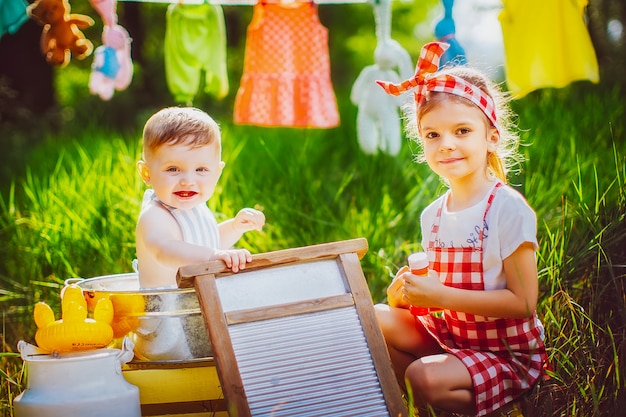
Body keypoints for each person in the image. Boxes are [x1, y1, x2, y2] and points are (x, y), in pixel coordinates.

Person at [374, 42, 547, 417]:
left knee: (423, 377)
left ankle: (494, 401)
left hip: (505, 354)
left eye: (462, 130)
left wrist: (442, 296)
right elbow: (436, 294)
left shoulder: (507, 208)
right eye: (433, 135)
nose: (446, 145)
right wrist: (406, 297)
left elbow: (523, 303)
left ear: (491, 138)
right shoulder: (433, 215)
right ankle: (415, 400)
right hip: (456, 340)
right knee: (375, 317)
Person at [135, 106, 265, 289]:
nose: (188, 181)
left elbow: (207, 243)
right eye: (173, 169)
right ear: (146, 172)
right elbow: (165, 250)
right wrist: (211, 257)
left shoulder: (197, 209)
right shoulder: (155, 215)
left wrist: (235, 227)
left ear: (217, 172)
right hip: (165, 310)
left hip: (199, 307)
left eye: (201, 170)